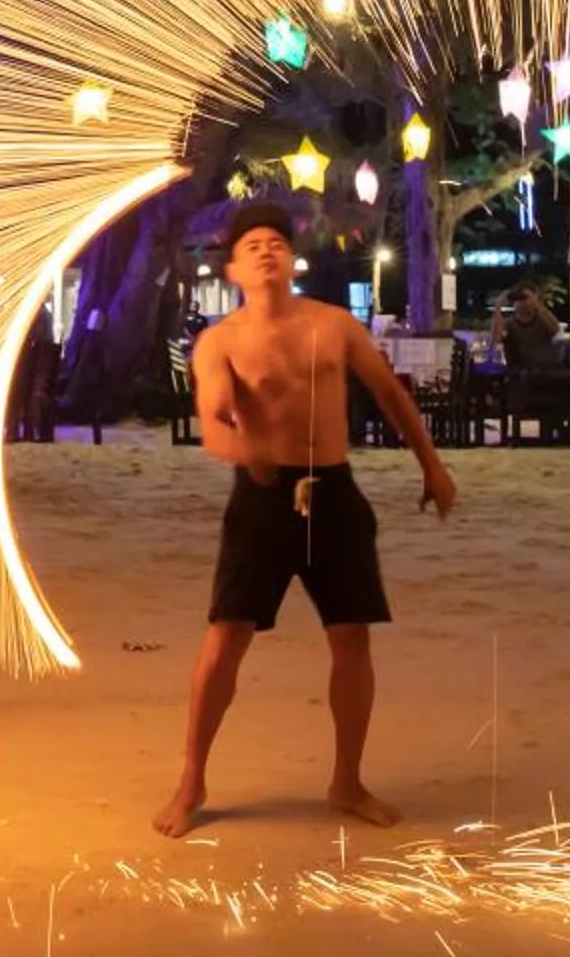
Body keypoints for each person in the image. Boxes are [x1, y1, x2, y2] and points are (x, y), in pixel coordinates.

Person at [153, 202, 457, 839]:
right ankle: (192, 780)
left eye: (276, 243)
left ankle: (347, 781)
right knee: (227, 636)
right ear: (233, 269)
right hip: (261, 497)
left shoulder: (334, 325)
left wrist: (432, 467)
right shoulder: (220, 341)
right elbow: (214, 418)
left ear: (292, 260)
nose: (266, 251)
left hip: (334, 492)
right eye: (253, 245)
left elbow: (390, 394)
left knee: (352, 637)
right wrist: (248, 451)